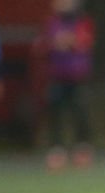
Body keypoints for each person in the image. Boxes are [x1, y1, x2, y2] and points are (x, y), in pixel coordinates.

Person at [41, 0, 96, 171]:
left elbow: (83, 42)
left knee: (80, 111)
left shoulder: (83, 21)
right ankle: (57, 149)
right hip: (57, 75)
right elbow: (48, 44)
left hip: (77, 76)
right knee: (55, 113)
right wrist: (60, 43)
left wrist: (68, 42)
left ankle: (82, 147)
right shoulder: (52, 23)